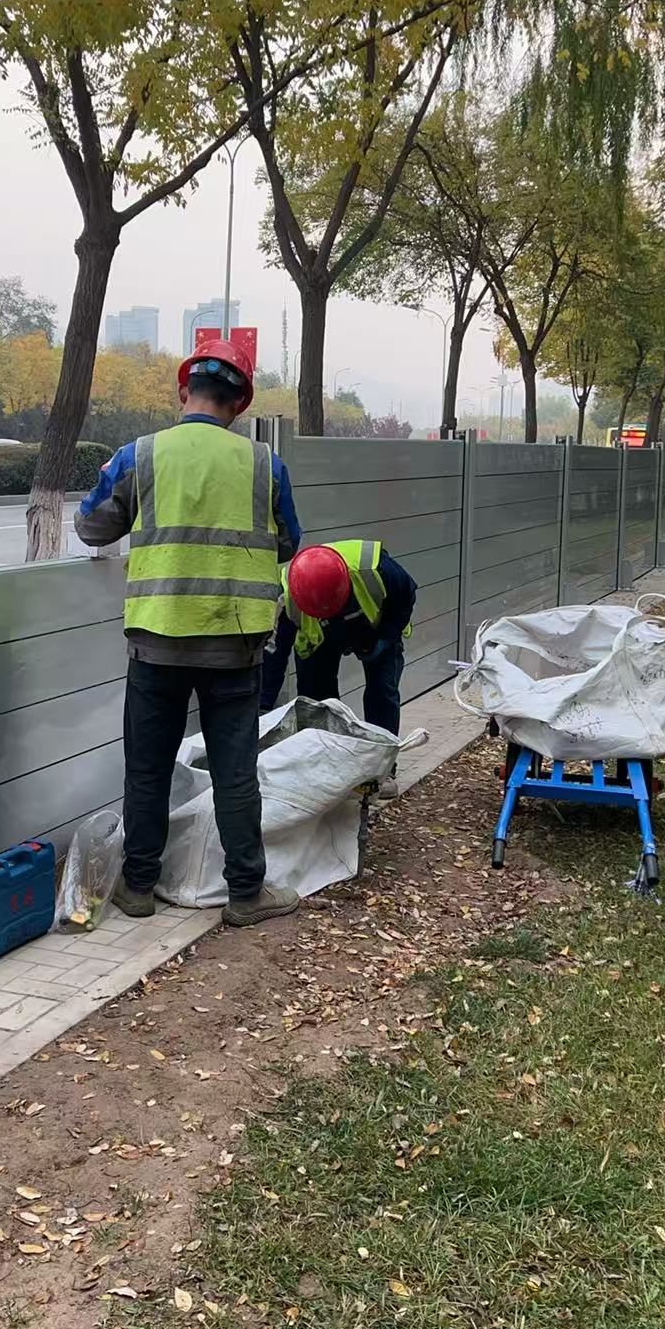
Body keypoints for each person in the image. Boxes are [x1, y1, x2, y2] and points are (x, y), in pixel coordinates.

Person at [75, 338, 302, 927]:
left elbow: (91, 527)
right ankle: (246, 894)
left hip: (158, 641)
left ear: (184, 392)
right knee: (235, 773)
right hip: (236, 645)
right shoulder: (265, 464)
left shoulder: (140, 455)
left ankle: (139, 888)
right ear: (240, 404)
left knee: (148, 769)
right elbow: (287, 542)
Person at [260, 540, 417, 791]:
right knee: (316, 701)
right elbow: (275, 655)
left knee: (382, 691)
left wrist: (386, 637)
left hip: (375, 626)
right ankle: (327, 763)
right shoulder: (287, 593)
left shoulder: (377, 569)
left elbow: (406, 597)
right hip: (320, 637)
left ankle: (382, 769)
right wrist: (263, 705)